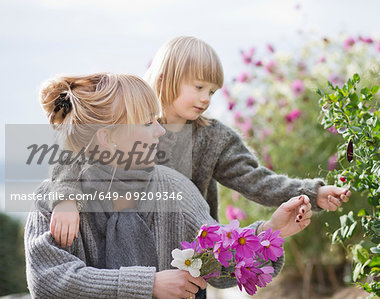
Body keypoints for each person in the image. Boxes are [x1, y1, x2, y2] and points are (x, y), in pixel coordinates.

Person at [25, 73, 313, 298]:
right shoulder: (54, 203)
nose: (159, 131)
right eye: (148, 122)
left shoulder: (176, 189)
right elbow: (49, 281)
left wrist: (269, 232)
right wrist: (147, 285)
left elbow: (218, 263)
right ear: (107, 138)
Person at [49, 36, 351, 248]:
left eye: (212, 91)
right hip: (126, 253)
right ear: (166, 78)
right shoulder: (129, 123)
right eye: (198, 87)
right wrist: (65, 200)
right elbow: (75, 150)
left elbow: (257, 181)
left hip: (191, 258)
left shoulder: (215, 138)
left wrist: (313, 193)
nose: (206, 98)